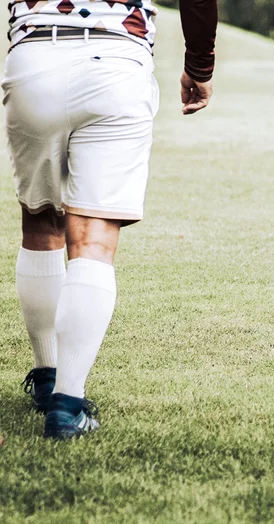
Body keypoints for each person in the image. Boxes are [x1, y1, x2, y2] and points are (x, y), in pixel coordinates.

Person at [3, 0, 218, 439]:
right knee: (93, 241)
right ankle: (66, 405)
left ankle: (46, 377)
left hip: (34, 58)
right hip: (117, 59)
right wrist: (199, 67)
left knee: (41, 224)